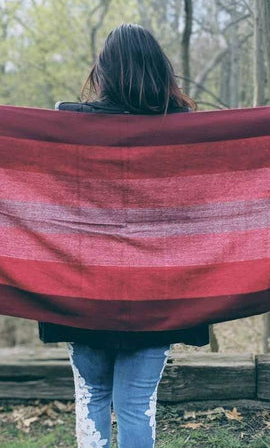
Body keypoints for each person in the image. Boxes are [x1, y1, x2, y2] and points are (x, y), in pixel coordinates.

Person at [37, 23, 209, 448]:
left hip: (81, 294)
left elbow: (47, 201)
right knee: (135, 405)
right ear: (159, 69)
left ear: (104, 72)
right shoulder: (187, 133)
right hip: (157, 297)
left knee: (91, 397)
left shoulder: (69, 126)